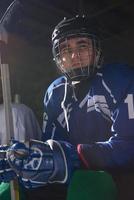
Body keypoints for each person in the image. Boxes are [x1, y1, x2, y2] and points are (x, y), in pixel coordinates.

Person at [0, 15, 134, 200]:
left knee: (89, 187)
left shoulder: (122, 79)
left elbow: (129, 146)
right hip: (75, 172)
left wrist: (72, 156)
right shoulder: (55, 91)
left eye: (82, 46)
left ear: (97, 49)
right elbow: (54, 147)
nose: (74, 55)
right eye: (65, 49)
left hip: (116, 176)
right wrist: (30, 161)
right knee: (9, 189)